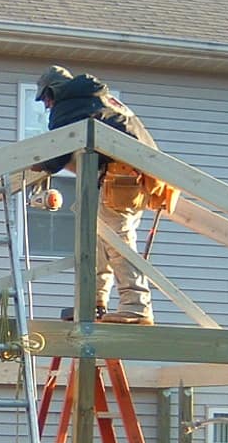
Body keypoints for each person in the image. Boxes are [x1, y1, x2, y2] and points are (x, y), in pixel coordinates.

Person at [32, 65, 159, 325]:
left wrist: (39, 164)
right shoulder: (97, 100)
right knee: (100, 240)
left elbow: (59, 150)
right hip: (132, 179)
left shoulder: (70, 104)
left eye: (46, 98)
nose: (46, 105)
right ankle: (94, 302)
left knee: (118, 242)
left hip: (120, 178)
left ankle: (136, 305)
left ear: (53, 90)